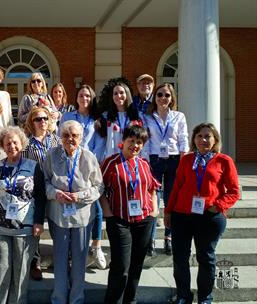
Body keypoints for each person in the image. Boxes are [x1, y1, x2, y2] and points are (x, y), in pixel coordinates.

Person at [164, 122, 240, 304]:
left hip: (209, 216)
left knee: (206, 258)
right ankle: (184, 296)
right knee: (180, 258)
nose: (204, 140)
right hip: (182, 215)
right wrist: (168, 211)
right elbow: (177, 187)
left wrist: (218, 205)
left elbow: (234, 191)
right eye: (200, 136)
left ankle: (205, 297)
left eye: (208, 136)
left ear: (215, 140)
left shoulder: (224, 161)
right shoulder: (187, 160)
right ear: (194, 139)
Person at [0, 126, 47, 304]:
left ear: (22, 143)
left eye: (15, 142)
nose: (11, 145)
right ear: (2, 145)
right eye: (7, 142)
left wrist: (39, 222)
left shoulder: (33, 167)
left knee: (21, 272)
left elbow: (40, 196)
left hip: (26, 228)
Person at [44, 120, 104, 303]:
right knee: (60, 259)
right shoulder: (52, 155)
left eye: (75, 135)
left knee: (79, 260)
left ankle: (77, 298)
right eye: (66, 135)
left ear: (81, 137)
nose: (70, 139)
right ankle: (59, 299)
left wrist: (80, 196)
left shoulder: (89, 157)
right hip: (58, 214)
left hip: (83, 217)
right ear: (60, 137)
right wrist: (55, 193)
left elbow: (99, 187)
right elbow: (44, 182)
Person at [100, 125, 159, 304]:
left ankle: (130, 300)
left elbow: (152, 189)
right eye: (131, 141)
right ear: (123, 141)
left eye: (139, 142)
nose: (135, 145)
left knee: (136, 265)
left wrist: (154, 212)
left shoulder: (144, 164)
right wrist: (109, 215)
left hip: (144, 220)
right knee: (121, 266)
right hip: (119, 220)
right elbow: (100, 191)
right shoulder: (111, 162)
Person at [59, 84, 107, 270]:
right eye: (81, 95)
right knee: (71, 204)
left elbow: (100, 143)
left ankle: (96, 246)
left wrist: (89, 160)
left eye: (87, 95)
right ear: (76, 97)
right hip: (69, 164)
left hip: (90, 164)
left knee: (95, 203)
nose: (84, 98)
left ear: (91, 98)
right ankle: (72, 249)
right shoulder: (68, 116)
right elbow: (60, 138)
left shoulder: (97, 119)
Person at [144, 83, 188, 256]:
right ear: (155, 97)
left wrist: (184, 161)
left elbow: (183, 139)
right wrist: (146, 161)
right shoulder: (147, 117)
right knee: (152, 199)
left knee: (171, 201)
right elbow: (145, 141)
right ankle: (151, 240)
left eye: (167, 95)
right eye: (160, 94)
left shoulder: (179, 116)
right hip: (154, 160)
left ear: (172, 98)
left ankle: (169, 239)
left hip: (173, 160)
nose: (163, 98)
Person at [21, 107, 61, 280]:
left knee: (57, 228)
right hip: (36, 190)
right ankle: (35, 262)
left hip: (54, 189)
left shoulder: (58, 141)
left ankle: (62, 261)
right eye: (38, 119)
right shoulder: (27, 144)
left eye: (45, 118)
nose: (42, 121)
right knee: (35, 227)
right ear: (32, 122)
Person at [102, 82, 142, 159]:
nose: (119, 96)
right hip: (112, 159)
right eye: (115, 93)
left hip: (132, 158)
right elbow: (103, 141)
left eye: (121, 92)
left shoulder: (138, 116)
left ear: (127, 94)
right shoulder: (105, 116)